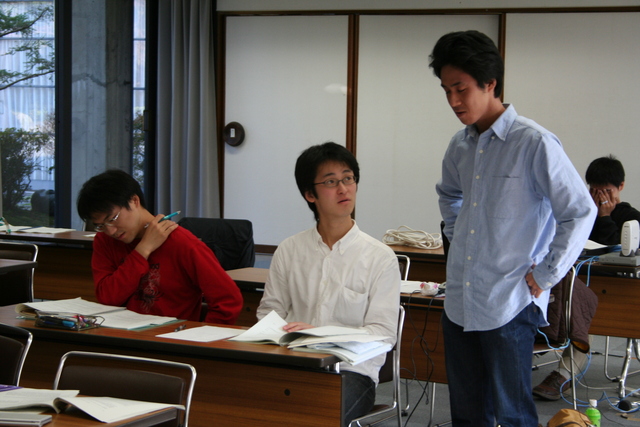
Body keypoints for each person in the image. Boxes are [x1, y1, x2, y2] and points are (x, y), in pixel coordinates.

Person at [429, 30, 596, 426]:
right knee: (467, 413)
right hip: (460, 301)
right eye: (446, 90)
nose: (453, 100)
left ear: (490, 83)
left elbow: (579, 211)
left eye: (461, 88)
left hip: (509, 301)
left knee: (513, 413)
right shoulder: (459, 146)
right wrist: (458, 235)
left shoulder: (534, 142)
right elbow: (448, 195)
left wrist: (547, 273)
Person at [256, 142, 400, 426]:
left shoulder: (379, 257)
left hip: (351, 372)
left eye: (348, 178)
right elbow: (268, 313)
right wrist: (287, 336)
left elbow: (383, 334)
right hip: (294, 364)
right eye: (331, 182)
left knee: (315, 416)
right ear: (310, 194)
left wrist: (320, 335)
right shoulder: (289, 249)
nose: (344, 189)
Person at [533, 155, 640, 400]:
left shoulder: (630, 218)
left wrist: (604, 217)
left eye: (607, 191)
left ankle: (562, 375)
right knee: (573, 305)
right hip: (574, 284)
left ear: (621, 187)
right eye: (594, 190)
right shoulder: (579, 214)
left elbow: (619, 250)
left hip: (614, 289)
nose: (600, 197)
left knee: (579, 311)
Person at [76, 169, 243, 324]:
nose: (110, 231)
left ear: (134, 201)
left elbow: (228, 300)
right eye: (100, 225)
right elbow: (107, 298)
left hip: (170, 339)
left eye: (112, 219)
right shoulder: (105, 240)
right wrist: (143, 250)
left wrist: (203, 340)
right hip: (120, 335)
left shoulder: (181, 243)